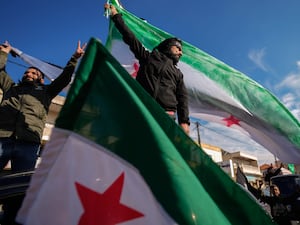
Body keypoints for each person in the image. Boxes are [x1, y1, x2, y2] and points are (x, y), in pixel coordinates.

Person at [0, 40, 86, 174]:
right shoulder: (11, 88)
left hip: (28, 143)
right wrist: (4, 53)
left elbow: (64, 78)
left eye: (34, 73)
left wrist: (74, 59)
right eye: (26, 73)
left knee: (21, 182)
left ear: (41, 80)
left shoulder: (47, 92)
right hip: (2, 138)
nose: (29, 74)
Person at [104, 3, 190, 134]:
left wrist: (184, 121)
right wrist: (116, 16)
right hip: (142, 110)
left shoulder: (178, 74)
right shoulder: (148, 58)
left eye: (181, 51)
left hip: (167, 117)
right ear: (169, 46)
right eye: (178, 48)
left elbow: (182, 97)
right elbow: (130, 38)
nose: (180, 53)